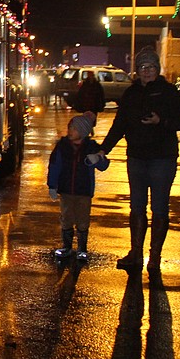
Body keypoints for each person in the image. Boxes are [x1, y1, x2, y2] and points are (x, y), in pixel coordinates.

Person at [97, 46, 180, 273]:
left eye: (150, 67)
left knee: (159, 207)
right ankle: (136, 253)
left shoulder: (169, 92)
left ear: (157, 69)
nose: (146, 71)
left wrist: (162, 121)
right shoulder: (131, 93)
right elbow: (120, 124)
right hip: (136, 157)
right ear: (137, 71)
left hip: (162, 159)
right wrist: (104, 149)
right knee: (136, 206)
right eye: (142, 67)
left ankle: (155, 257)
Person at [47, 112, 109, 262]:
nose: (70, 131)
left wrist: (98, 159)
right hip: (66, 190)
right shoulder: (62, 146)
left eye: (73, 129)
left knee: (82, 219)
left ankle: (82, 248)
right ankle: (67, 246)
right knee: (66, 218)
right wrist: (52, 185)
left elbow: (104, 165)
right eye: (70, 128)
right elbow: (55, 166)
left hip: (84, 191)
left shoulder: (91, 147)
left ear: (82, 132)